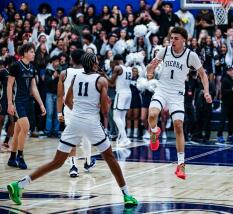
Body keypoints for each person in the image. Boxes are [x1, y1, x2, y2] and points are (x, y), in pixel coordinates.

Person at [7, 52, 138, 207]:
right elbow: (104, 110)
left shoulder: (76, 78)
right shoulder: (101, 80)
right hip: (91, 122)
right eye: (96, 61)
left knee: (57, 161)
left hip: (75, 120)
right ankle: (127, 195)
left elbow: (67, 101)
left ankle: (19, 184)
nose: (98, 63)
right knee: (110, 157)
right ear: (93, 64)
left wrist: (79, 111)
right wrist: (99, 105)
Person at [146, 27, 212, 179]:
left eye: (176, 38)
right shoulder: (164, 51)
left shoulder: (191, 55)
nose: (172, 41)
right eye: (171, 38)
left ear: (183, 40)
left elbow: (202, 74)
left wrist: (206, 91)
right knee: (152, 115)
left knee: (178, 125)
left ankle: (181, 165)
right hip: (162, 89)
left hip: (177, 94)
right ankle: (154, 131)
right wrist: (149, 72)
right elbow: (152, 65)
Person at [7, 43, 46, 169]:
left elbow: (34, 88)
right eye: (31, 51)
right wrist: (9, 104)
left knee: (19, 130)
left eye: (34, 52)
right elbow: (9, 86)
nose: (34, 53)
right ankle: (20, 156)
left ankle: (12, 158)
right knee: (26, 127)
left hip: (28, 102)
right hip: (17, 101)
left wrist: (41, 104)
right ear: (24, 53)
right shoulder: (15, 66)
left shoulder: (32, 67)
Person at [57, 49, 95, 178]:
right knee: (86, 136)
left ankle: (73, 166)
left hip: (69, 108)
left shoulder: (64, 73)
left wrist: (59, 113)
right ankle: (88, 161)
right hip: (84, 108)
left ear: (71, 59)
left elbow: (59, 96)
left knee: (71, 137)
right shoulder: (90, 73)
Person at [109, 54, 132, 146]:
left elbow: (111, 83)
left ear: (116, 61)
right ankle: (121, 137)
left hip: (121, 93)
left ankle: (125, 138)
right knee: (122, 117)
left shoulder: (117, 68)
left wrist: (103, 75)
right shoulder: (129, 68)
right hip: (128, 93)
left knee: (116, 117)